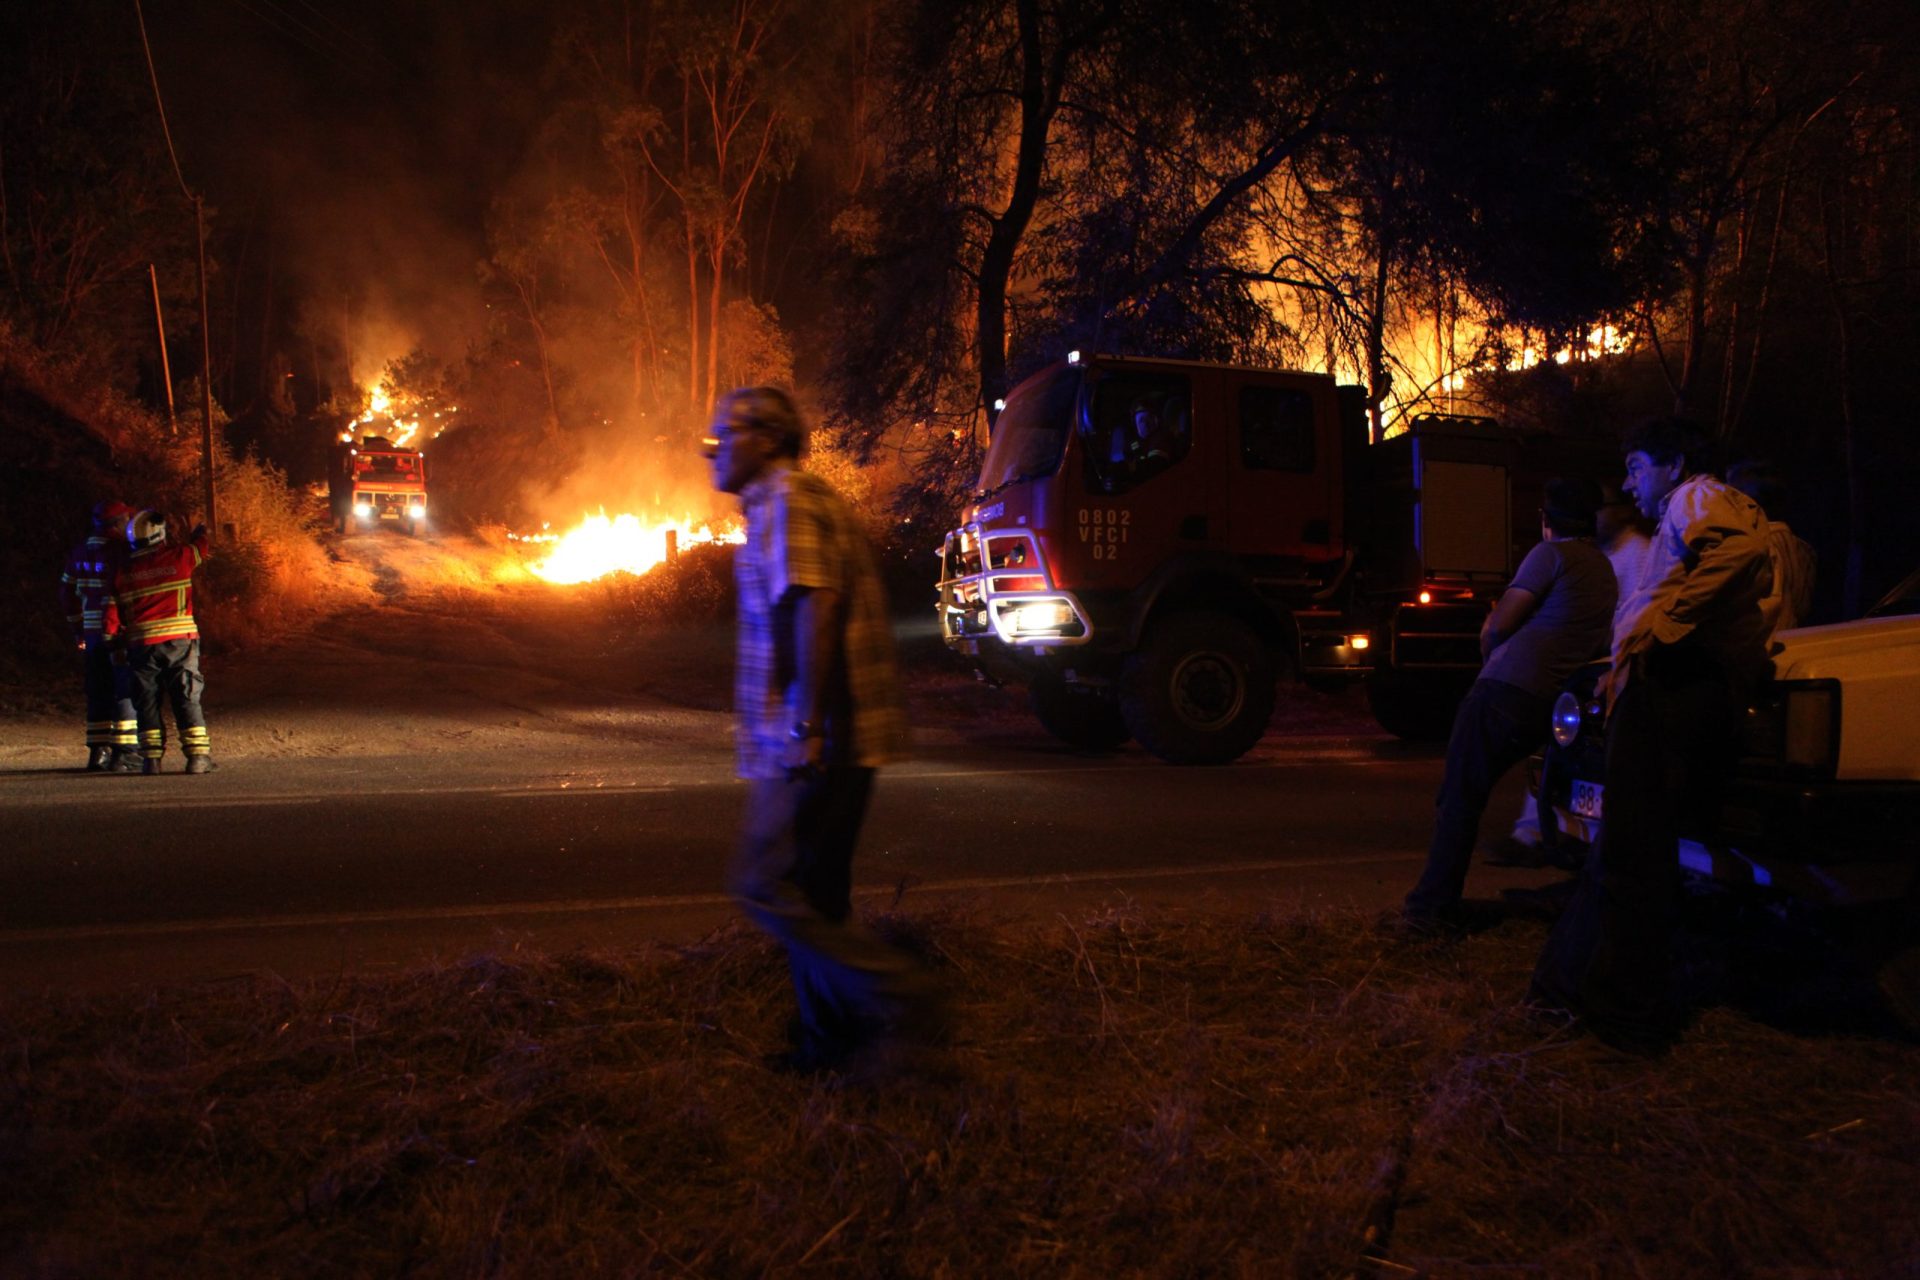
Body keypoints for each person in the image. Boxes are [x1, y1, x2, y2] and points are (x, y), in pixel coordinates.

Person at [704, 386, 931, 1072]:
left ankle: (899, 992)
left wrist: (804, 727)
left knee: (768, 886)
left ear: (768, 439)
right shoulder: (774, 506)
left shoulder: (790, 498)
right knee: (815, 893)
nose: (710, 453)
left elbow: (814, 607)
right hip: (809, 737)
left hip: (819, 738)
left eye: (723, 437)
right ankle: (829, 1042)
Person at [1532, 418, 1772, 1053]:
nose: (1628, 481)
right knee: (1622, 850)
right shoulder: (1684, 510)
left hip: (1671, 690)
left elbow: (1743, 552)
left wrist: (1662, 628)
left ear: (1675, 462)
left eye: (1638, 465)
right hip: (1657, 687)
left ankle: (1627, 1014)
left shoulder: (1696, 496)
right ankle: (1573, 987)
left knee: (1634, 855)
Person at [1402, 477, 1616, 927]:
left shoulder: (1549, 555)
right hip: (1548, 700)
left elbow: (1501, 624)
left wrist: (1490, 646)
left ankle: (1430, 910)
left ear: (1546, 519)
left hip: (1504, 689)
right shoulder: (1603, 571)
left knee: (1459, 797)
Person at [1494, 485, 1652, 860]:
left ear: (1624, 512)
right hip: (1587, 669)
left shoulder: (1638, 553)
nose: (1597, 517)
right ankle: (1542, 830)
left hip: (1612, 669)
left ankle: (1556, 835)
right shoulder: (1598, 553)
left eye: (1605, 508)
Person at [111, 511, 216, 775]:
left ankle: (151, 761)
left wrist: (114, 640)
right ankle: (197, 758)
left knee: (146, 701)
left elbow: (114, 612)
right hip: (179, 641)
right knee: (186, 696)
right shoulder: (180, 556)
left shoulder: (123, 571)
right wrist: (200, 532)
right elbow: (201, 547)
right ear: (160, 535)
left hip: (141, 645)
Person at [58, 501, 140, 771]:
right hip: (118, 632)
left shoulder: (78, 552)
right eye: (126, 518)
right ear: (116, 523)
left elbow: (67, 594)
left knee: (98, 690)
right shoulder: (121, 550)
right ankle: (125, 752)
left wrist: (78, 629)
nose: (129, 523)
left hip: (92, 634)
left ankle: (98, 752)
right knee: (125, 691)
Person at [1727, 460, 1816, 635]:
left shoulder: (1760, 547)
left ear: (1748, 503)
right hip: (1795, 643)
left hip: (1765, 649)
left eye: (1730, 497)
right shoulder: (1803, 548)